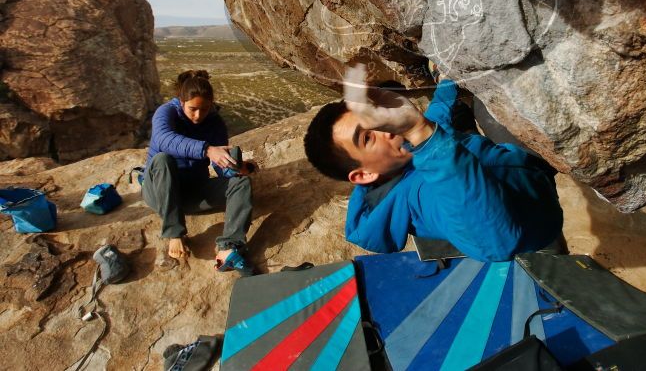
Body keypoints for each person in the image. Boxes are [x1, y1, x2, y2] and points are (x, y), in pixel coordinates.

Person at [303, 65, 563, 262]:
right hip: (538, 219)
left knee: (464, 119)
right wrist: (419, 131)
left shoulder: (402, 158)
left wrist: (446, 80)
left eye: (375, 118)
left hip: (521, 174)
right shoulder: (417, 199)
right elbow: (495, 243)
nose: (387, 129)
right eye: (368, 136)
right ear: (364, 175)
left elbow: (437, 118)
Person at [142, 70, 256, 275]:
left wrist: (233, 168)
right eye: (192, 109)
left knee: (240, 183)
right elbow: (163, 140)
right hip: (160, 192)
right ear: (181, 101)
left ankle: (229, 247)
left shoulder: (215, 123)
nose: (198, 115)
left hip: (192, 192)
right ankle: (174, 232)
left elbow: (220, 168)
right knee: (163, 160)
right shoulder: (166, 113)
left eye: (204, 109)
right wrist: (207, 149)